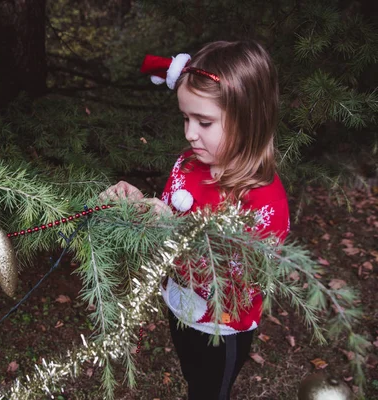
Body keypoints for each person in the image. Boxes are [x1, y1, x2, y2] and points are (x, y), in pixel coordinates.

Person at [99, 41, 290, 400]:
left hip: (222, 326)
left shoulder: (263, 198)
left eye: (204, 121)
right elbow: (168, 218)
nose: (189, 133)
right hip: (180, 304)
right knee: (191, 372)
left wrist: (170, 226)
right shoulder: (188, 164)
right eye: (186, 118)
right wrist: (138, 207)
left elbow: (240, 278)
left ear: (249, 119)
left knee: (208, 390)